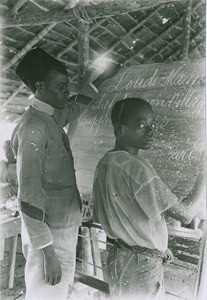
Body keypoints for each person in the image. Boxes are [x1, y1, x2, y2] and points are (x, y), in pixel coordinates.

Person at [93, 98, 205, 300]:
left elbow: (128, 215)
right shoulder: (137, 167)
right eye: (141, 125)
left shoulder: (106, 162)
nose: (150, 131)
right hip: (140, 267)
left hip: (120, 256)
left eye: (152, 125)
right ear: (120, 129)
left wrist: (158, 248)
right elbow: (186, 214)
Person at [11, 47, 98, 300]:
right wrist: (49, 256)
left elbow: (76, 107)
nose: (67, 92)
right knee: (46, 294)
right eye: (61, 86)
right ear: (40, 86)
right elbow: (28, 198)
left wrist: (101, 79)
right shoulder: (33, 128)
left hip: (60, 230)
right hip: (49, 239)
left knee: (57, 292)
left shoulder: (49, 116)